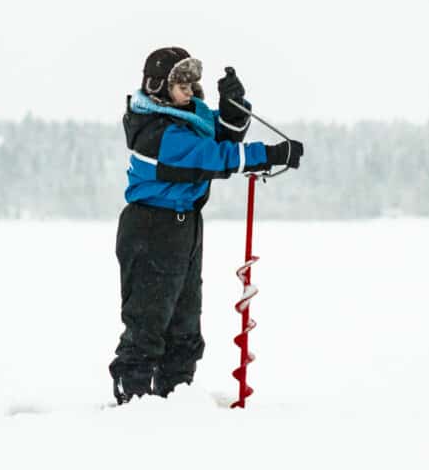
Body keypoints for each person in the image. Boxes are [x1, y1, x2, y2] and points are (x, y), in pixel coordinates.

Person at [109, 46, 304, 404]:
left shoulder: (189, 119)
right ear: (157, 87)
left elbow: (223, 135)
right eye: (181, 85)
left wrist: (233, 109)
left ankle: (178, 399)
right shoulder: (155, 132)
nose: (190, 91)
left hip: (184, 229)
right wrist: (270, 154)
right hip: (151, 229)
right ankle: (133, 403)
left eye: (192, 84)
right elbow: (212, 157)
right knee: (147, 326)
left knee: (185, 328)